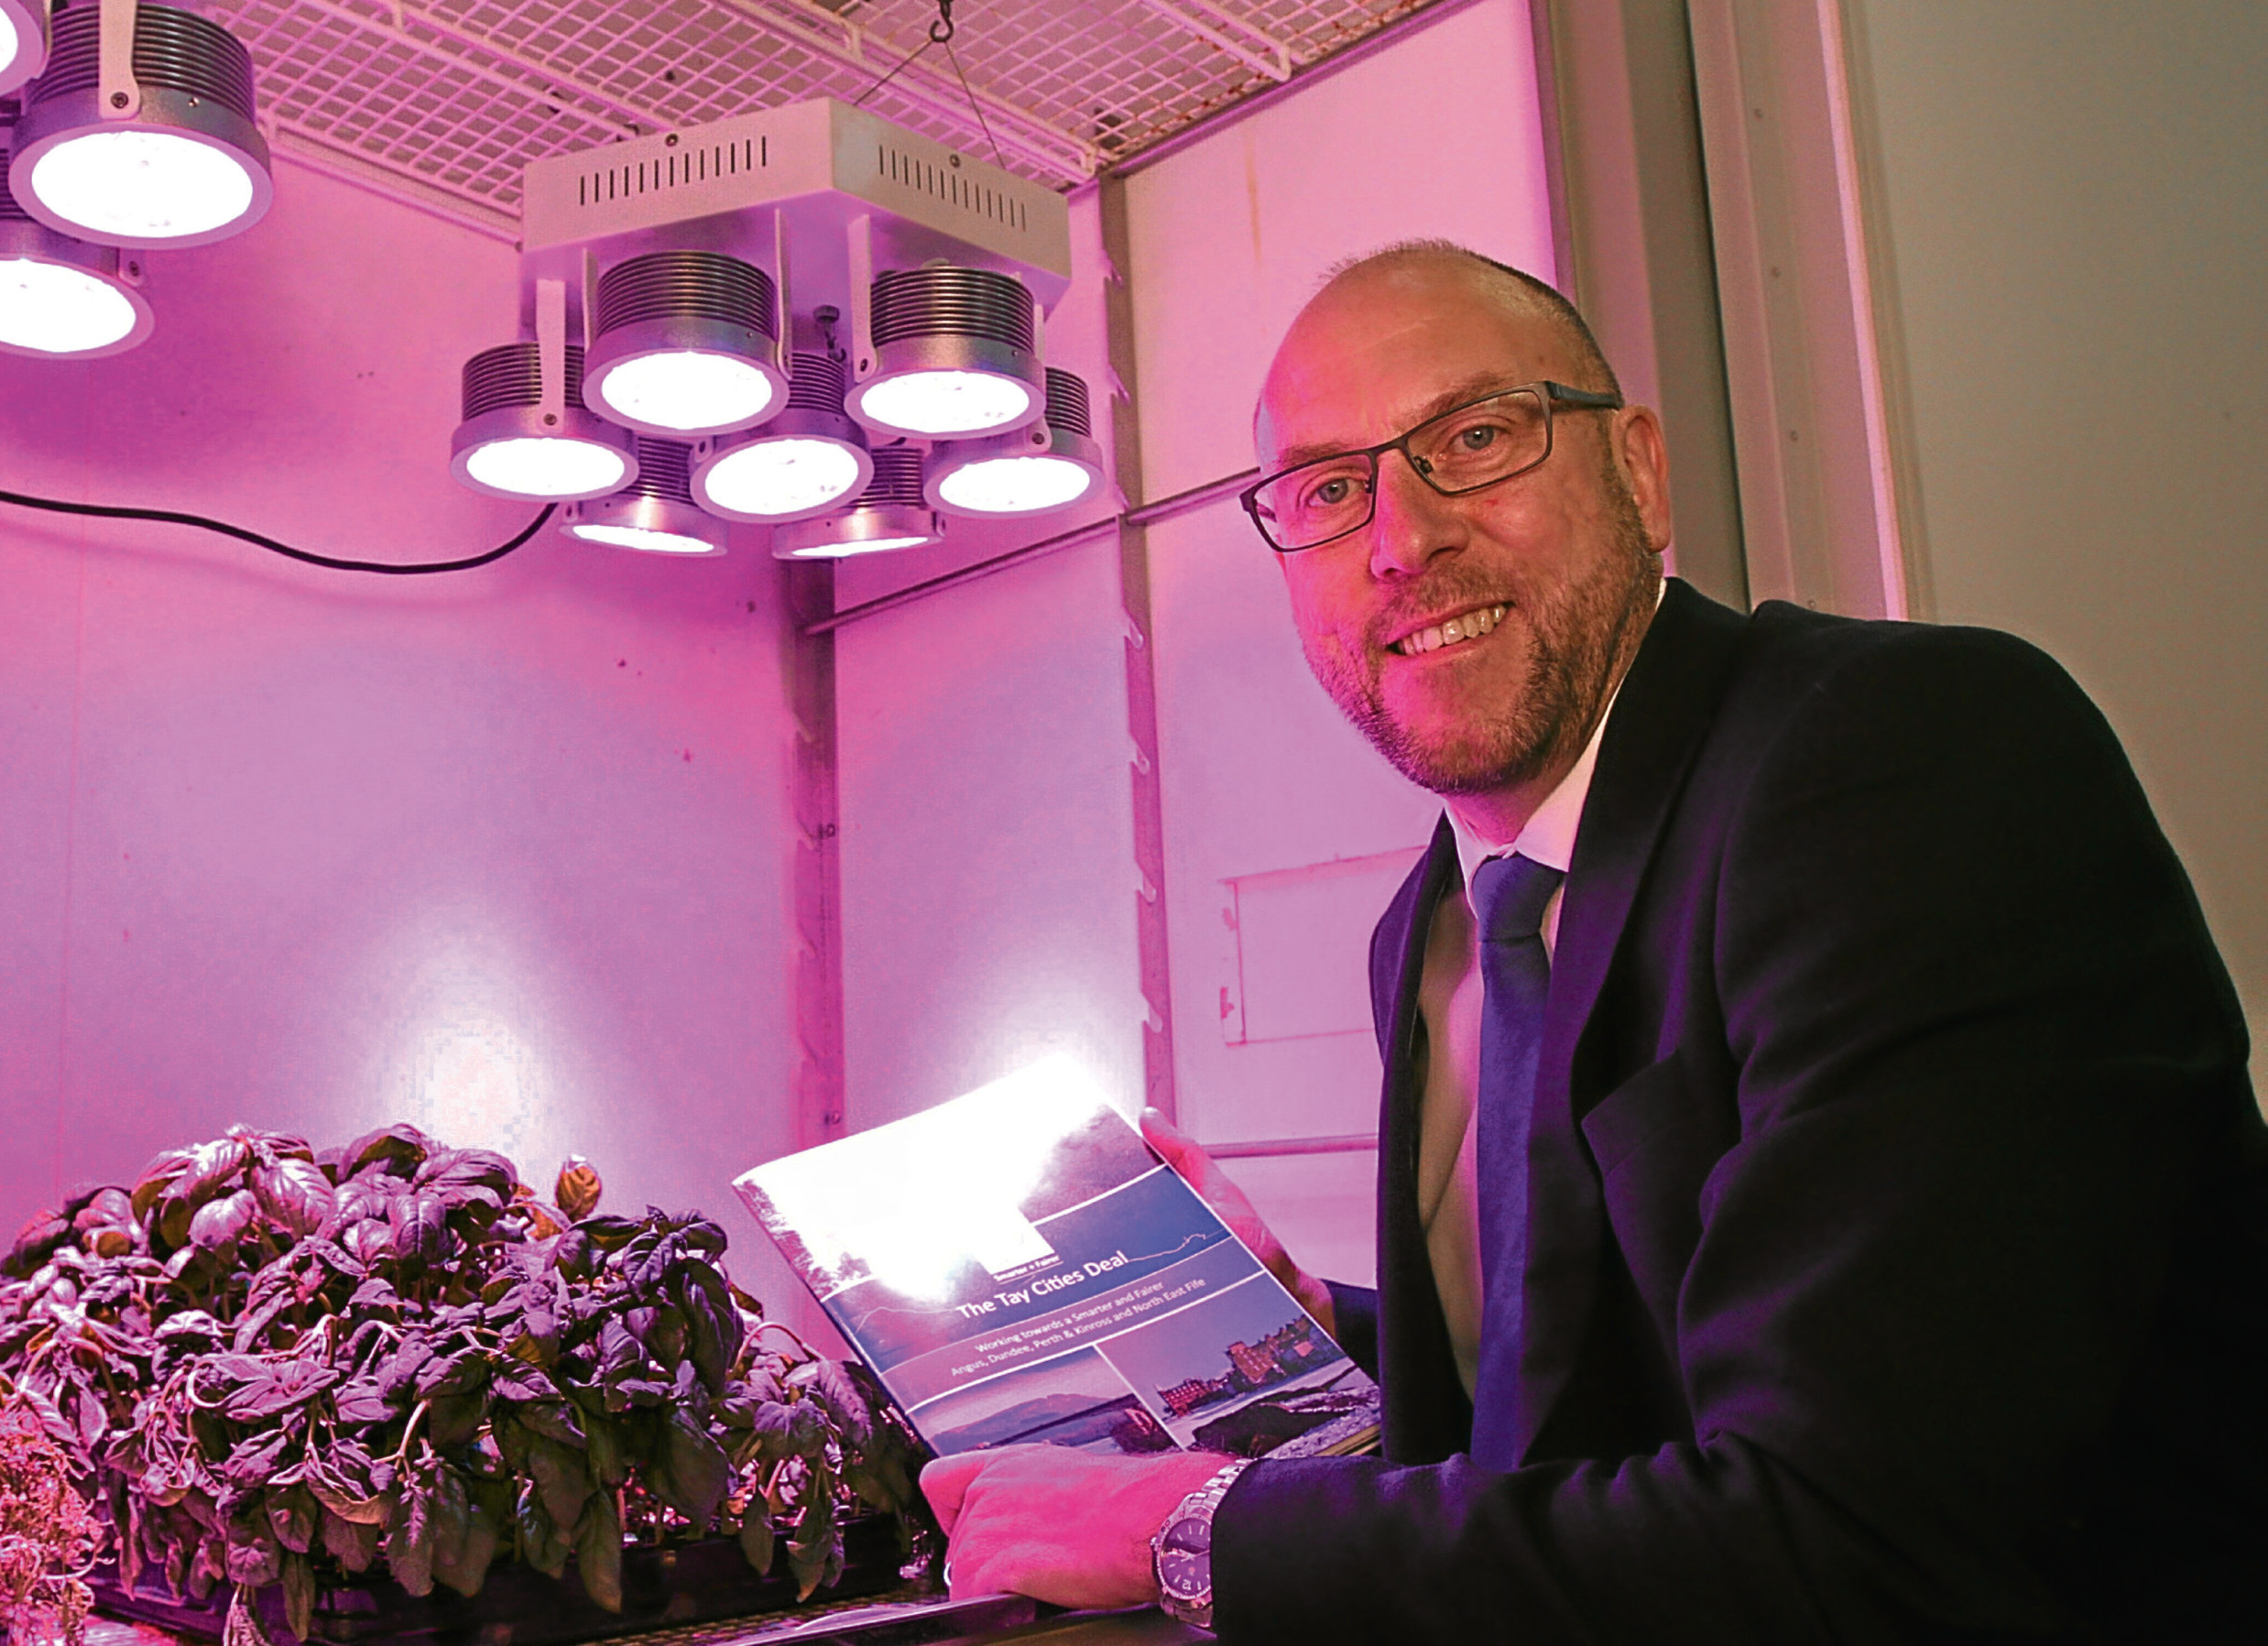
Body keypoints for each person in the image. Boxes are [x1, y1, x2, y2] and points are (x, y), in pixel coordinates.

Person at [917, 241, 2267, 1640]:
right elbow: (1588, 1403)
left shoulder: (1906, 757)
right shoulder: (1435, 931)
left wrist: (1190, 1528)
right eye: (1329, 489)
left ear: (1638, 470)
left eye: (1476, 436)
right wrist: (1311, 1327)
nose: (1401, 536)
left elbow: (1850, 1534)